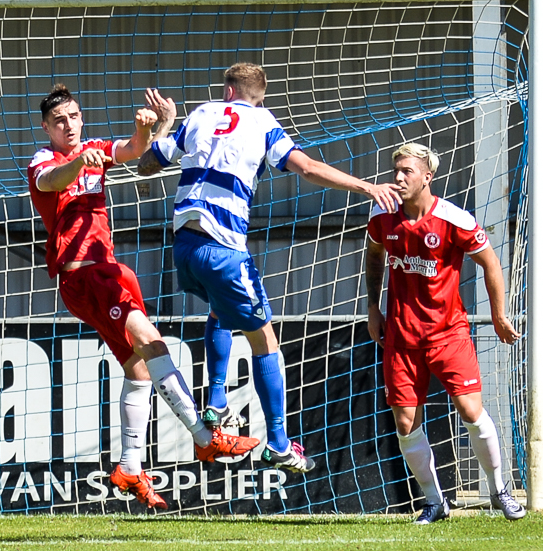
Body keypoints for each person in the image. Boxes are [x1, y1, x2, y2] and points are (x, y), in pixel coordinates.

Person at [139, 63, 402, 474]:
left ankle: (217, 402)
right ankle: (279, 443)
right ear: (259, 97)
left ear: (228, 90)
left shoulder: (201, 114)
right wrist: (367, 186)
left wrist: (165, 124)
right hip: (223, 248)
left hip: (184, 247)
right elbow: (307, 168)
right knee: (265, 342)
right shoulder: (263, 122)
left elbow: (146, 164)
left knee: (220, 312)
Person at [28, 84, 260, 511]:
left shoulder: (96, 149)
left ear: (82, 118)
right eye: (59, 121)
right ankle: (204, 437)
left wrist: (151, 127)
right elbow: (50, 180)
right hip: (85, 276)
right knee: (153, 343)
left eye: (74, 117)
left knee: (138, 369)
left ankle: (130, 466)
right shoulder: (45, 159)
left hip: (106, 273)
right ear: (47, 128)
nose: (68, 125)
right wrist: (78, 162)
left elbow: (136, 151)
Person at [364, 142, 525, 524]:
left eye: (407, 171)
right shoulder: (382, 215)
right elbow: (373, 255)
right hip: (401, 337)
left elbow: (491, 263)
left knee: (470, 411)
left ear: (427, 176)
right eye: (395, 170)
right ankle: (435, 502)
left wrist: (498, 316)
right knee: (406, 423)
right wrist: (373, 307)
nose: (398, 178)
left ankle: (499, 491)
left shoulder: (454, 219)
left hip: (448, 334)